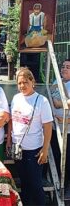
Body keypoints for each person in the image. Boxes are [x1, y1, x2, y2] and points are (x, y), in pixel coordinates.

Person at [7, 67, 53, 205]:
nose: (22, 86)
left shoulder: (42, 101)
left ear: (32, 81)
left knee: (35, 184)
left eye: (25, 82)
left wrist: (45, 150)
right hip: (18, 149)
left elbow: (48, 126)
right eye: (19, 83)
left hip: (34, 150)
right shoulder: (15, 98)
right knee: (24, 184)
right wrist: (9, 140)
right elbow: (11, 121)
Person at [50, 58, 70, 187]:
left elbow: (58, 103)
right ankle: (57, 184)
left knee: (67, 160)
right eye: (63, 66)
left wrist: (66, 119)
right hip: (55, 127)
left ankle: (65, 186)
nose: (64, 69)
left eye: (68, 67)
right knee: (56, 157)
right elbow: (53, 100)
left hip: (67, 129)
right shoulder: (56, 81)